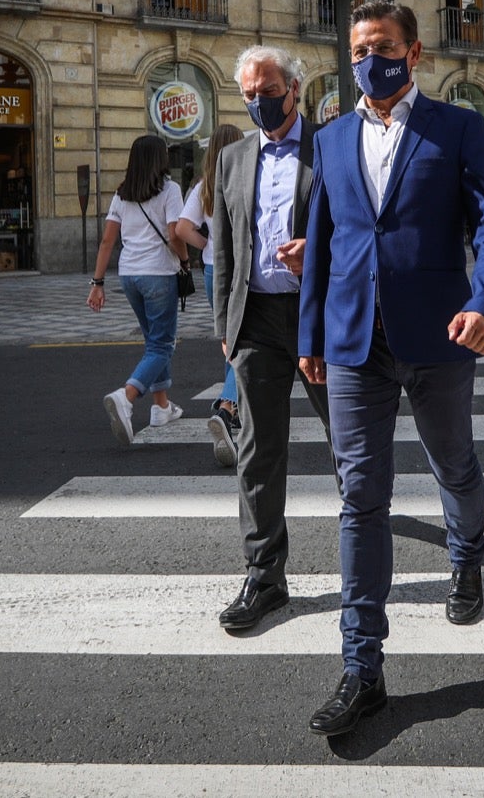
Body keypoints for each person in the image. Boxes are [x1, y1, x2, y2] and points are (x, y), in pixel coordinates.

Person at [298, 1, 484, 737]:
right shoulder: (329, 139)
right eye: (359, 49)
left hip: (442, 332)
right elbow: (322, 243)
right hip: (355, 341)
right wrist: (311, 334)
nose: (369, 60)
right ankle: (364, 667)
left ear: (413, 52)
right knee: (361, 497)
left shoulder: (456, 127)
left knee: (453, 462)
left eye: (382, 47)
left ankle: (466, 557)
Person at [210, 45, 329, 635]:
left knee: (350, 440)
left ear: (295, 89)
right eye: (249, 94)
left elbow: (358, 229)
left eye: (268, 90)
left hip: (320, 319)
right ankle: (264, 575)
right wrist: (223, 329)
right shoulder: (231, 158)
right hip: (254, 319)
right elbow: (223, 250)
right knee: (259, 453)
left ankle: (366, 555)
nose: (259, 101)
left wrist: (321, 254)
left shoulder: (331, 147)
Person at [87, 134, 188, 442]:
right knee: (162, 344)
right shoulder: (170, 190)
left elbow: (107, 241)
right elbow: (175, 234)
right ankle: (126, 397)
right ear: (161, 159)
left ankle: (161, 407)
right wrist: (185, 260)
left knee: (153, 341)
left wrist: (98, 282)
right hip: (159, 274)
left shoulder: (122, 194)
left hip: (129, 276)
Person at [175, 123, 245, 468]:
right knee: (244, 341)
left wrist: (207, 247)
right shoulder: (244, 177)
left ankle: (234, 407)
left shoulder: (204, 186)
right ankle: (227, 405)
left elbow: (181, 228)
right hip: (240, 270)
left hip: (213, 272)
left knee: (231, 340)